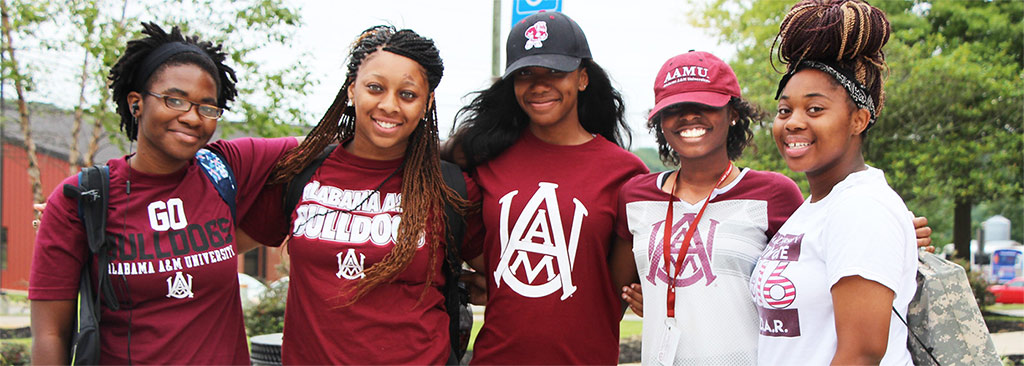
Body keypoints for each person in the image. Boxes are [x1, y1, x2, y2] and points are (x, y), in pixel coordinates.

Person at [29, 23, 297, 364]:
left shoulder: (225, 166)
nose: (192, 117)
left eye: (207, 107)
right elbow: (50, 334)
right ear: (136, 103)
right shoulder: (83, 199)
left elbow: (323, 148)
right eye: (175, 100)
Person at [238, 25, 478, 364]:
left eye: (407, 94)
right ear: (352, 90)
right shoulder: (302, 173)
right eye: (375, 88)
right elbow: (217, 256)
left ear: (427, 103)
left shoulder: (450, 188)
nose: (389, 105)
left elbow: (504, 278)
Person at [443, 11, 648, 365]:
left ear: (583, 78)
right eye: (525, 74)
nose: (540, 85)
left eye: (555, 71)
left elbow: (619, 288)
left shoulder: (625, 173)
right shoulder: (485, 156)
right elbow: (489, 254)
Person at [610, 50, 805, 365]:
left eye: (704, 105)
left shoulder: (774, 194)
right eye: (675, 109)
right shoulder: (634, 196)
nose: (689, 116)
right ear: (660, 121)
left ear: (733, 114)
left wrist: (904, 233)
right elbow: (615, 294)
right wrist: (655, 298)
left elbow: (814, 281)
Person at [750, 0, 916, 364]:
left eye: (815, 109)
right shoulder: (813, 209)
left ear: (859, 119)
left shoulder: (861, 207)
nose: (792, 122)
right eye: (784, 110)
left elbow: (861, 354)